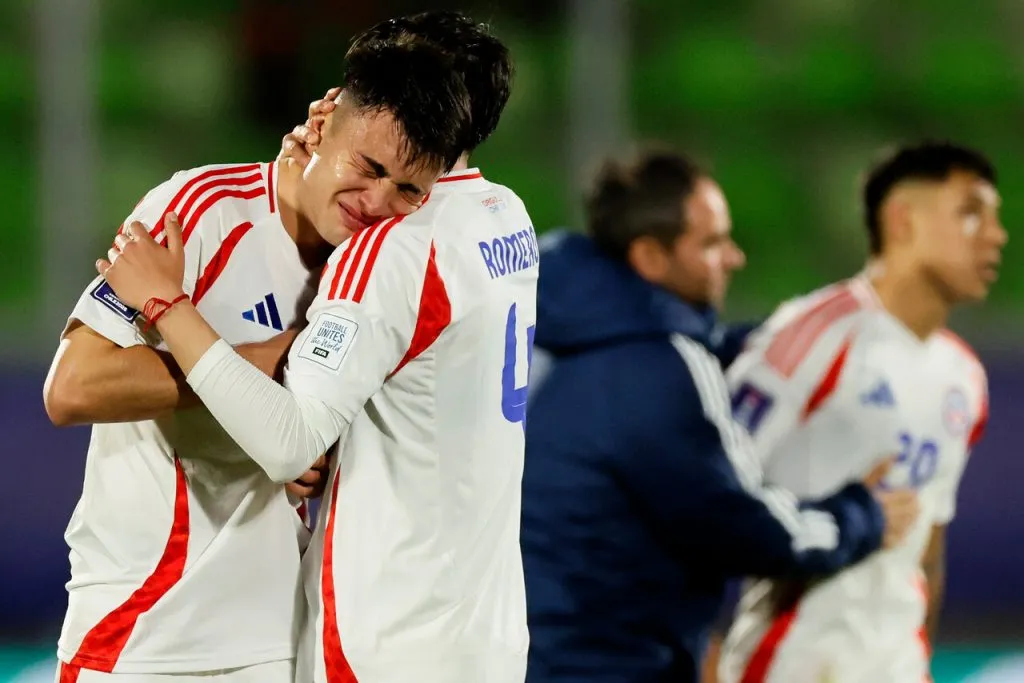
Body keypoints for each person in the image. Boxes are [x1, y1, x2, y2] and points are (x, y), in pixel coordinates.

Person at [96, 13, 535, 683]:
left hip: (387, 640)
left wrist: (167, 306)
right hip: (486, 632)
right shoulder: (506, 217)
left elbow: (291, 440)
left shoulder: (387, 248)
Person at [521, 148, 920, 683]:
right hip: (613, 666)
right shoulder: (663, 368)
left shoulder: (548, 333)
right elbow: (742, 527)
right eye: (711, 243)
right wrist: (861, 516)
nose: (734, 257)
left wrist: (767, 341)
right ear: (650, 258)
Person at [717, 141, 1005, 683]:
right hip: (789, 663)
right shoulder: (812, 336)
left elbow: (926, 550)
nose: (996, 235)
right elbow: (706, 495)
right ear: (903, 220)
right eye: (971, 213)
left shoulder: (963, 378)